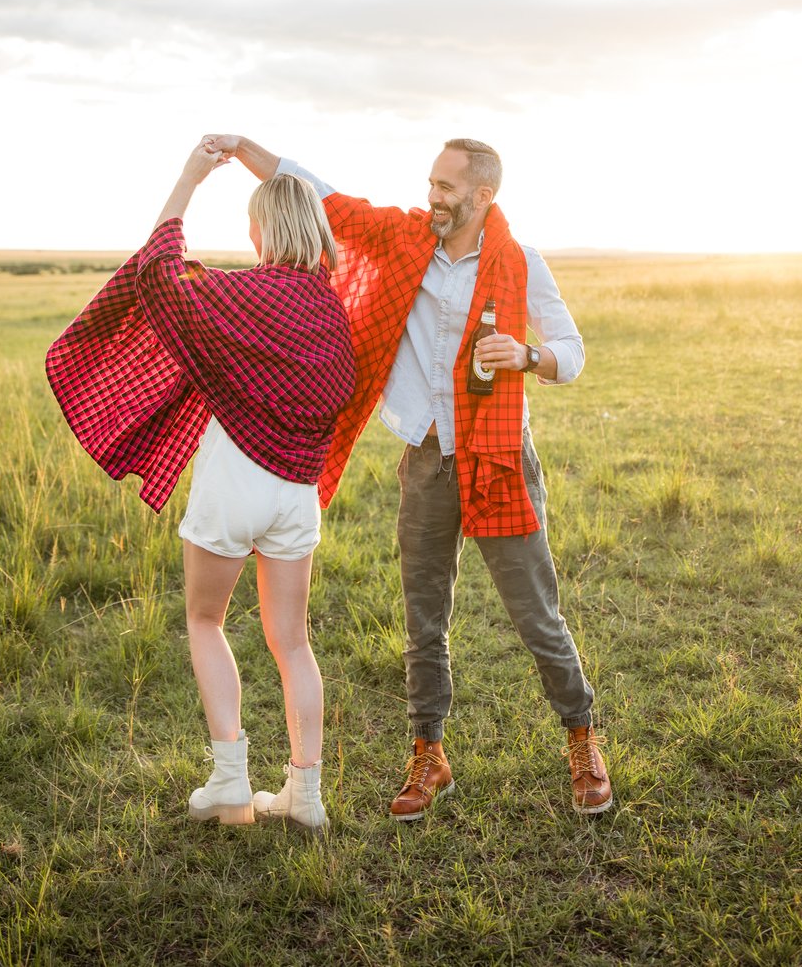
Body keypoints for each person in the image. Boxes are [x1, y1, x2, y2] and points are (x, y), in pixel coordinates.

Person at [203, 133, 612, 821]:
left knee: (537, 616)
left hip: (498, 459)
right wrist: (247, 151)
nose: (433, 196)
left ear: (484, 196)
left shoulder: (521, 264)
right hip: (425, 459)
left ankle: (582, 740)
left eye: (446, 187)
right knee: (425, 620)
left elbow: (571, 355)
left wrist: (526, 353)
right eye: (431, 183)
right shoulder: (404, 240)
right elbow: (324, 196)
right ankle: (429, 755)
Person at [46, 140, 356, 833]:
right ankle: (304, 797)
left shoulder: (239, 293)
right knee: (293, 641)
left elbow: (157, 272)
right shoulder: (332, 314)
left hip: (235, 482)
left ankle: (230, 783)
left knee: (205, 621)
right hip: (297, 492)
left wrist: (190, 177)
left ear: (263, 231)